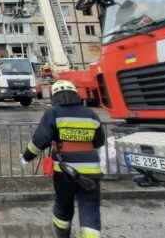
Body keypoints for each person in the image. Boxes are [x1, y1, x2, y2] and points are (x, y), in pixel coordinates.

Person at [21, 80, 105, 238]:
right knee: (90, 207)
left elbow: (40, 140)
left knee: (63, 204)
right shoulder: (91, 114)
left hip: (65, 170)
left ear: (55, 95)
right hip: (91, 171)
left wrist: (26, 157)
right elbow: (99, 141)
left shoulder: (53, 113)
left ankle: (62, 234)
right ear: (75, 94)